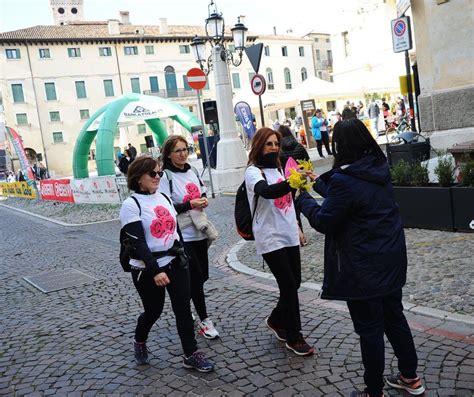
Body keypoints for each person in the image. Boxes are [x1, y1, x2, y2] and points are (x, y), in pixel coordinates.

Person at [296, 119, 424, 397]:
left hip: (363, 268)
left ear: (340, 146)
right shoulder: (377, 169)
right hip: (390, 259)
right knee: (394, 318)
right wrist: (318, 184)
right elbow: (352, 199)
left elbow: (326, 220)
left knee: (370, 331)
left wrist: (303, 200)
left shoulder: (345, 180)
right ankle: (410, 376)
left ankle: (373, 391)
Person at [119, 155, 214, 371]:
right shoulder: (131, 205)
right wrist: (155, 270)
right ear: (138, 178)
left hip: (175, 261)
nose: (157, 177)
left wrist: (184, 255)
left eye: (159, 172)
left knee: (183, 308)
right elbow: (137, 243)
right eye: (152, 173)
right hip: (147, 268)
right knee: (154, 311)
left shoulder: (164, 197)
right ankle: (140, 340)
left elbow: (175, 230)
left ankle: (191, 353)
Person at [245, 127, 314, 356]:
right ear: (259, 146)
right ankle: (295, 336)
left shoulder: (278, 168)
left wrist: (298, 227)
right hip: (269, 236)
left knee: (294, 282)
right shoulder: (253, 172)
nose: (274, 148)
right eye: (269, 144)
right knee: (287, 285)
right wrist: (292, 182)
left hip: (288, 233)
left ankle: (276, 319)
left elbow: (288, 202)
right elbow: (268, 192)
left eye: (276, 144)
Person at [159, 135, 220, 340]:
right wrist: (189, 205)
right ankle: (204, 319)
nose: (183, 153)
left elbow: (202, 193)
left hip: (199, 231)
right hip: (182, 235)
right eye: (178, 150)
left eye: (186, 149)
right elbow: (165, 209)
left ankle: (186, 306)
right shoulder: (165, 177)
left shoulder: (193, 171)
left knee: (201, 277)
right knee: (195, 278)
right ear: (168, 154)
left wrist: (202, 201)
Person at [278, 125, 310, 246]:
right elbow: (308, 162)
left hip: (286, 182)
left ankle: (298, 234)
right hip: (300, 179)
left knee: (292, 208)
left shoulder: (279, 149)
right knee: (303, 203)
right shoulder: (299, 146)